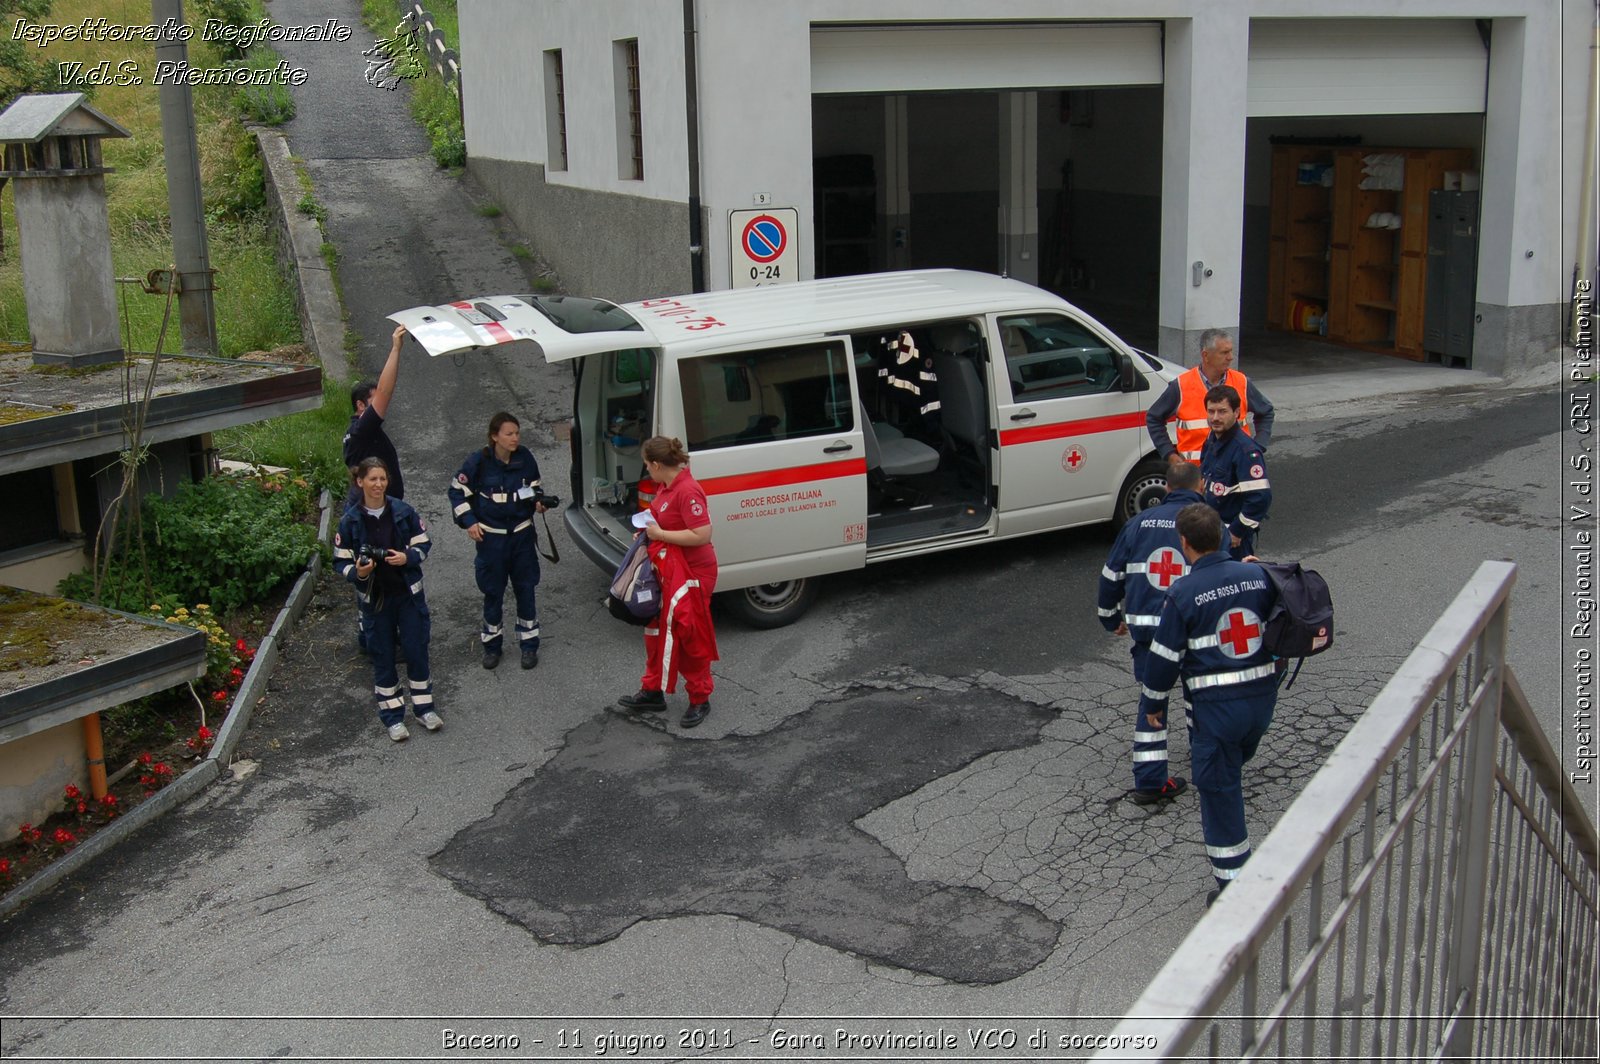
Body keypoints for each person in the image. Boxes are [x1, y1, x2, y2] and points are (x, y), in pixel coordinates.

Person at [1138, 504, 1278, 901]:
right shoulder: (1255, 574)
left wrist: (1153, 705)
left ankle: (1233, 887)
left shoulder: (1183, 592)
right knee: (1232, 766)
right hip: (1261, 704)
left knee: (1220, 792)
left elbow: (1163, 660)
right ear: (1220, 533)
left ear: (1184, 543)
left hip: (1218, 713)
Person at [1097, 461, 1206, 804]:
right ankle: (1205, 762)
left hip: (1147, 629)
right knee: (1199, 694)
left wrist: (1110, 618)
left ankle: (1150, 781)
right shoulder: (1206, 521)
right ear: (1199, 487)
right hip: (1191, 626)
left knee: (1152, 702)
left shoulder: (1137, 523)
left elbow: (1111, 576)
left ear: (1167, 488)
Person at [333, 457, 438, 742]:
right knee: (383, 657)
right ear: (360, 482)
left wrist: (407, 557)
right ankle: (392, 718)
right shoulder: (350, 521)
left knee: (416, 650)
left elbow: (423, 543)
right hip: (376, 601)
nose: (378, 485)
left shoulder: (403, 511)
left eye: (382, 479)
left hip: (407, 596)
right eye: (372, 479)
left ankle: (424, 709)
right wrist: (358, 572)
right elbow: (339, 562)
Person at [617, 436, 718, 729]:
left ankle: (700, 698)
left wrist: (660, 535)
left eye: (648, 465)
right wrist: (648, 534)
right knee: (655, 629)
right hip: (669, 568)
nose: (647, 470)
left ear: (658, 464)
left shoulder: (688, 490)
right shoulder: (667, 486)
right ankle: (653, 689)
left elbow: (702, 535)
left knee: (690, 633)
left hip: (693, 573)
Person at [448, 412, 551, 671]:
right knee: (492, 593)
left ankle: (529, 646)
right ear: (495, 436)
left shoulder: (525, 458)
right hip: (491, 541)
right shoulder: (478, 462)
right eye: (509, 434)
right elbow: (457, 492)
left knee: (525, 590)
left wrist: (537, 502)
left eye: (517, 433)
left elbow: (533, 488)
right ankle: (492, 647)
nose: (515, 438)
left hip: (521, 538)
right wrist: (469, 522)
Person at [343, 326, 408, 653]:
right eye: (370, 403)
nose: (378, 407)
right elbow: (386, 391)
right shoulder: (363, 429)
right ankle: (378, 642)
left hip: (380, 511)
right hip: (373, 518)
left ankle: (372, 639)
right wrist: (395, 347)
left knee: (372, 577)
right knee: (378, 578)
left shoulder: (358, 433)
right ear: (359, 406)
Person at [1145, 328, 1274, 467]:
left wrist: (1258, 447)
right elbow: (1154, 418)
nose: (1230, 357)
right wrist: (1169, 454)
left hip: (1235, 469)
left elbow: (1266, 412)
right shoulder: (1181, 386)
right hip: (1195, 475)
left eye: (1231, 351)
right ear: (1205, 355)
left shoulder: (1242, 382)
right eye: (1224, 352)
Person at [1199, 384, 1272, 560]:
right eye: (1211, 411)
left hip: (1233, 541)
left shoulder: (1245, 451)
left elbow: (1260, 498)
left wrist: (1236, 532)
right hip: (1211, 533)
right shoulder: (1211, 440)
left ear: (1237, 412)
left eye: (1222, 411)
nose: (1215, 418)